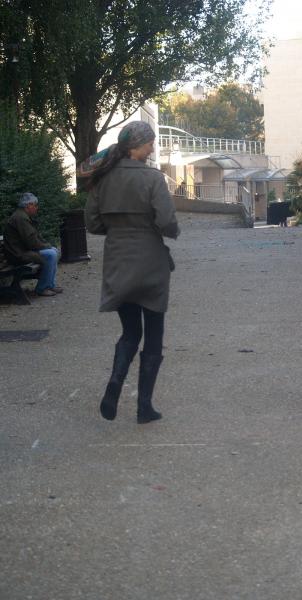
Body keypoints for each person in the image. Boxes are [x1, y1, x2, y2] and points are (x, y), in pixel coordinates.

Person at [81, 121, 179, 424]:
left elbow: (92, 223)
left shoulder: (103, 178)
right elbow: (166, 221)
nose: (152, 148)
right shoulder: (152, 178)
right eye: (149, 143)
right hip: (150, 262)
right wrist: (169, 231)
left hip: (118, 261)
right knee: (154, 333)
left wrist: (118, 229)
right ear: (136, 145)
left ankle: (114, 385)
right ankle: (144, 407)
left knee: (130, 332)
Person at [3, 192, 63, 297]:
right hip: (18, 254)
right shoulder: (20, 218)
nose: (36, 208)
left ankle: (50, 285)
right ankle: (42, 288)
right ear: (28, 205)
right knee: (51, 254)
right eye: (35, 205)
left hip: (22, 251)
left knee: (53, 251)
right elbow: (31, 242)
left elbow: (35, 238)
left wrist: (47, 245)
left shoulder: (23, 216)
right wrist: (46, 246)